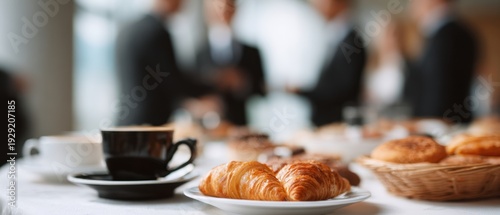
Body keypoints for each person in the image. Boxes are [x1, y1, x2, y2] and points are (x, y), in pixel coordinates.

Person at [115, 0, 205, 126]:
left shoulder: (126, 30)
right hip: (150, 125)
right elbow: (173, 81)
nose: (183, 3)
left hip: (125, 121)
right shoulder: (158, 32)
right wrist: (213, 85)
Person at [289, 0, 366, 126]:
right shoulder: (336, 36)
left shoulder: (352, 40)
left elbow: (340, 89)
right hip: (328, 123)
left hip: (337, 125)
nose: (315, 4)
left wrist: (302, 91)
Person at [196, 0, 266, 126]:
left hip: (240, 125)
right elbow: (190, 90)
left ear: (235, 10)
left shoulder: (251, 52)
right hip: (208, 126)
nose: (222, 11)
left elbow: (262, 90)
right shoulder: (199, 52)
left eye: (227, 6)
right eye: (217, 6)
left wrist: (243, 83)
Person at [407, 0, 478, 123]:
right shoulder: (444, 34)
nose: (412, 4)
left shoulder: (448, 36)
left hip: (444, 130)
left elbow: (440, 96)